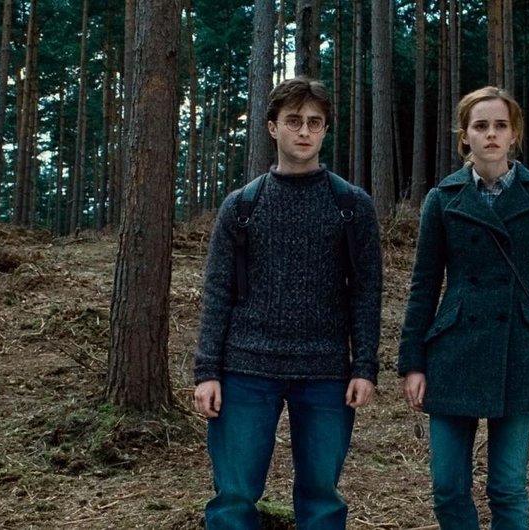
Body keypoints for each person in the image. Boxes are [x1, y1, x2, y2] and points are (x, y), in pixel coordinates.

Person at [193, 77, 382, 530]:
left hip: (326, 371)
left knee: (322, 499)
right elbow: (217, 291)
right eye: (294, 121)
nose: (304, 131)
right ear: (272, 127)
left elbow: (366, 291)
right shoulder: (242, 206)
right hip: (246, 368)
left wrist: (364, 366)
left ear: (325, 131)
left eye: (315, 123)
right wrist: (207, 371)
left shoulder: (352, 205)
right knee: (234, 497)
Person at [398, 86, 529, 529]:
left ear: (514, 133)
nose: (491, 134)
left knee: (507, 487)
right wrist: (412, 363)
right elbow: (423, 286)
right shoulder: (442, 198)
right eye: (481, 126)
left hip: (520, 350)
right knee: (447, 487)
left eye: (501, 125)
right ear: (465, 135)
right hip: (453, 351)